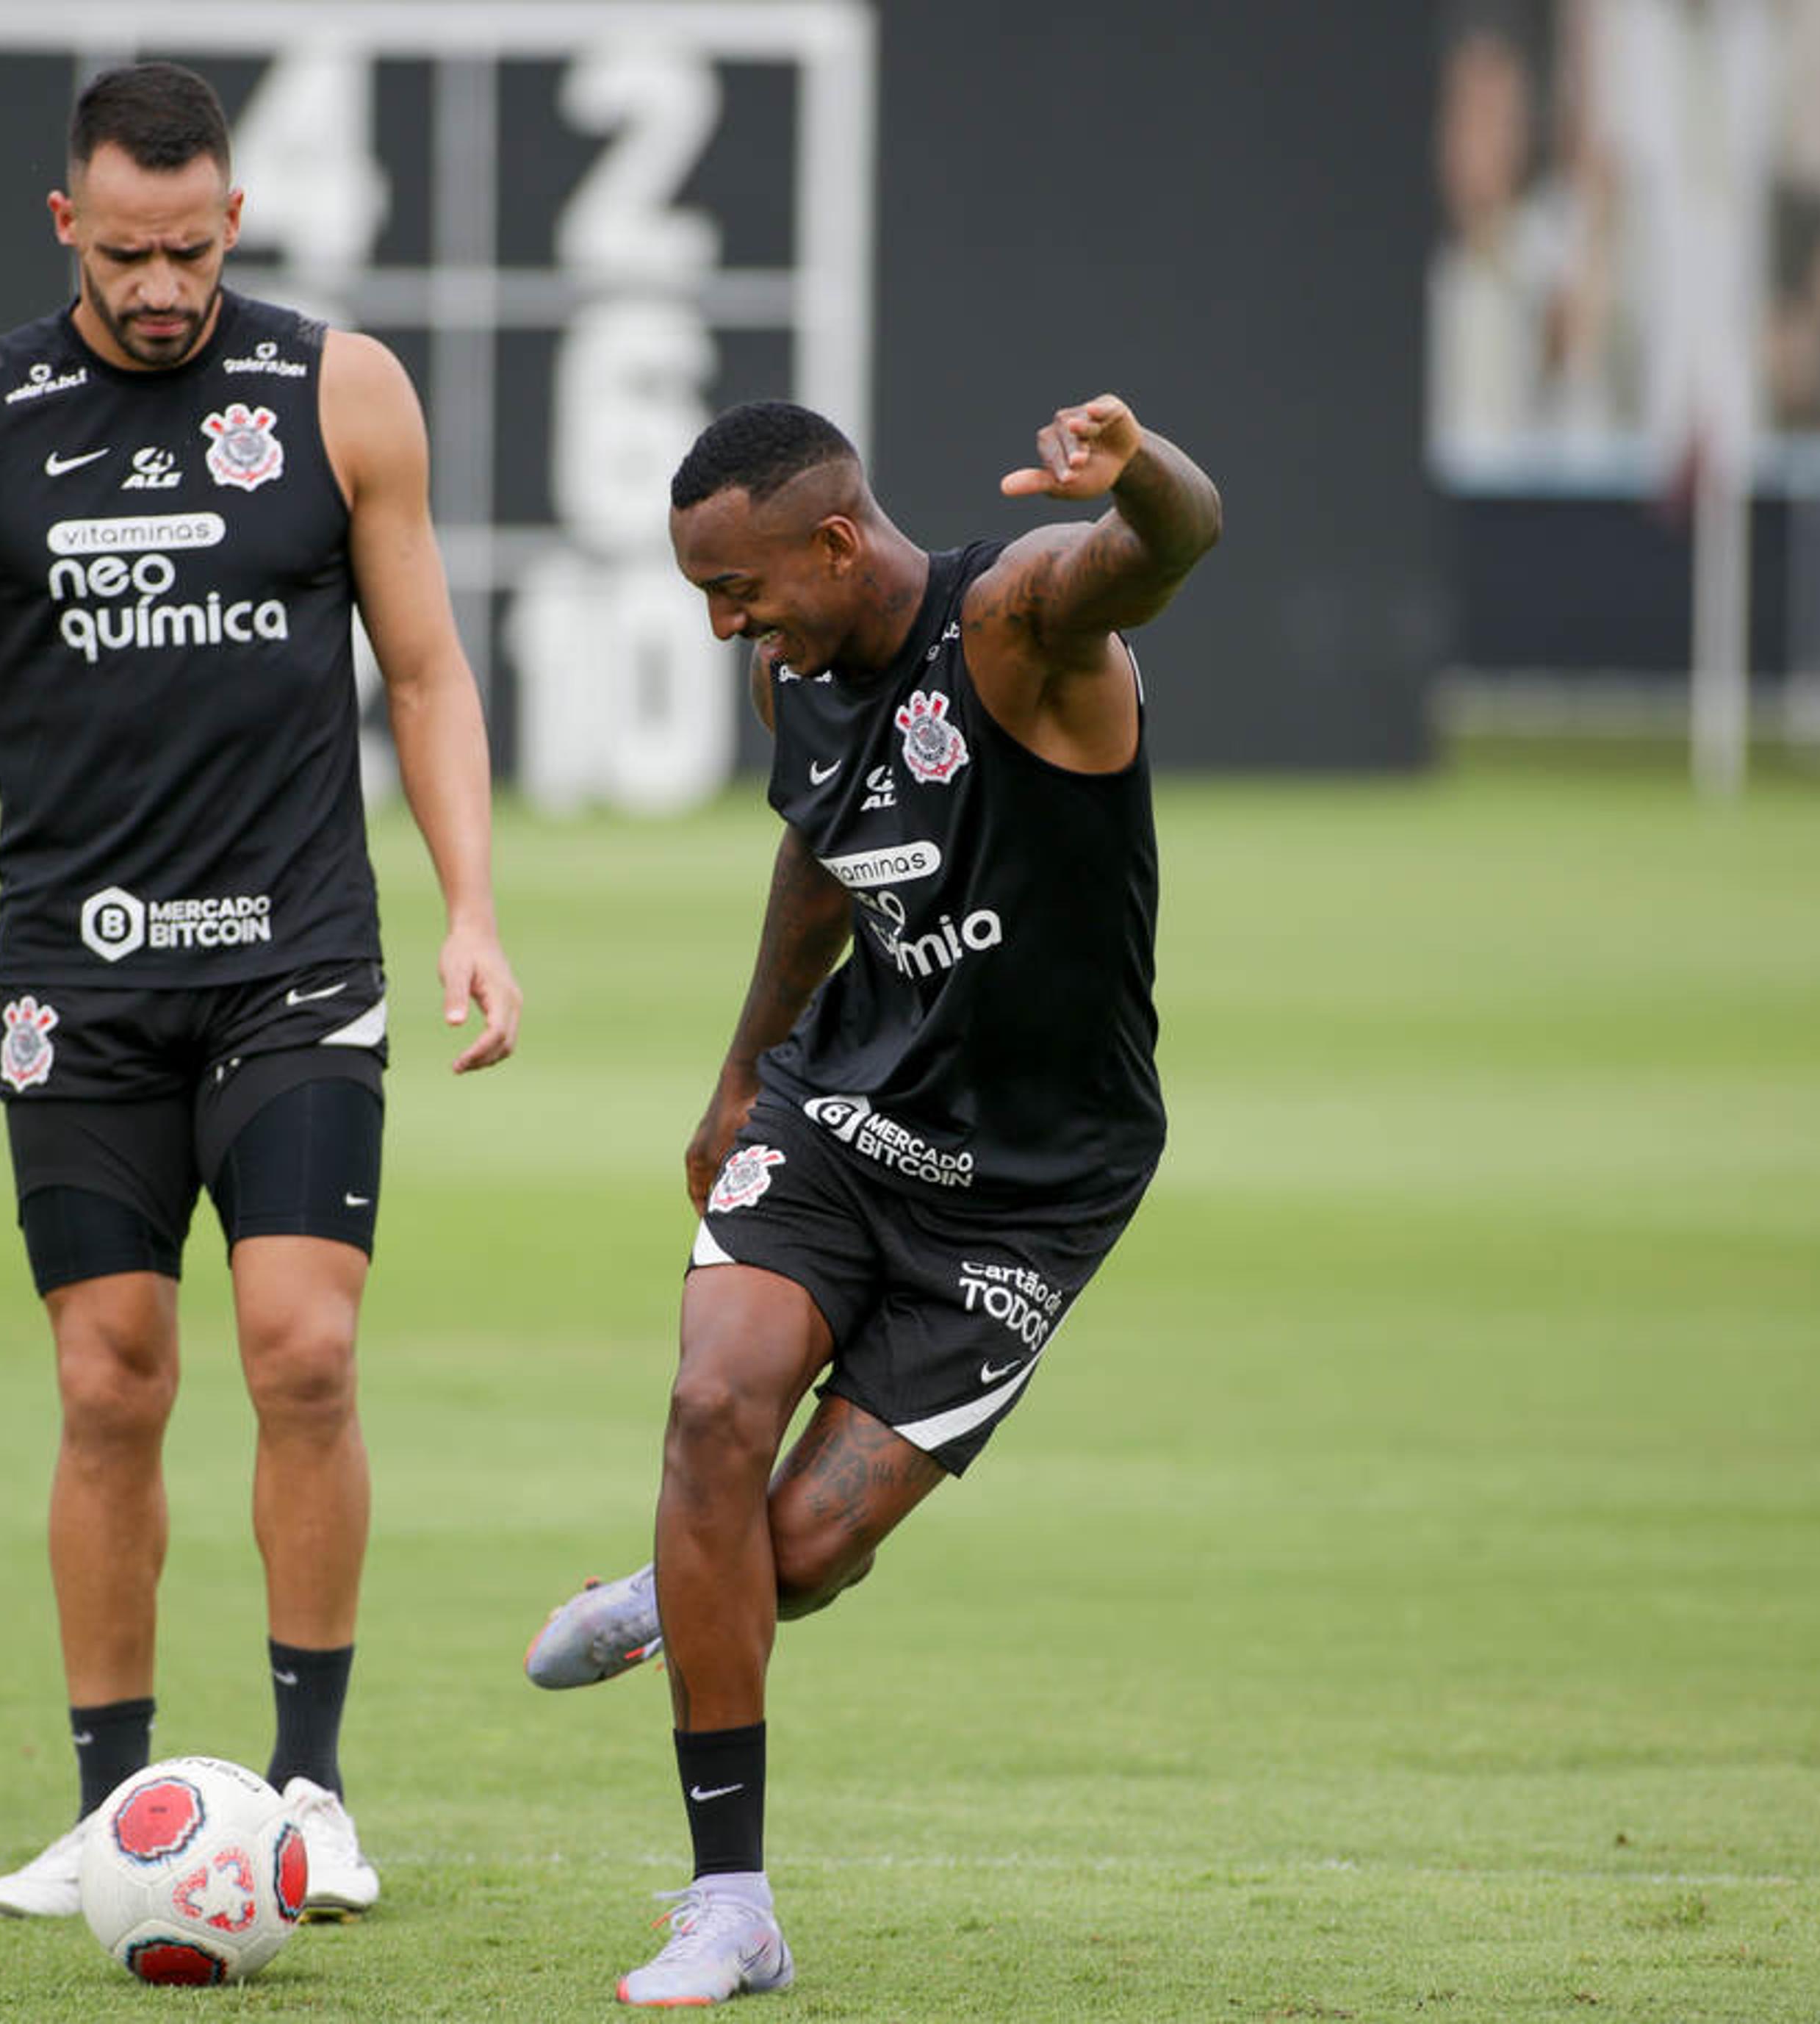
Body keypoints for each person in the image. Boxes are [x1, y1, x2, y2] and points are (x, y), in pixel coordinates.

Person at [0, 62, 520, 1922]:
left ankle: (313, 1791)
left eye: (190, 248)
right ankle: (116, 1815)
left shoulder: (343, 392)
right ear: (64, 226)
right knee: (111, 1385)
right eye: (125, 253)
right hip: (74, 986)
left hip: (295, 963)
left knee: (304, 1354)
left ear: (234, 219)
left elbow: (423, 670)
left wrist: (474, 907)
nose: (161, 286)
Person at [522, 394, 1219, 2006]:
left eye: (739, 589)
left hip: (1035, 1190)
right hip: (844, 1115)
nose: (723, 628)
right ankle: (733, 1908)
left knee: (810, 1551)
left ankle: (670, 1590)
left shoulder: (1015, 627)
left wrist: (1145, 476)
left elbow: (1171, 547)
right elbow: (821, 860)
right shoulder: (805, 673)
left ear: (837, 542)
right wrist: (742, 1073)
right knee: (713, 1409)